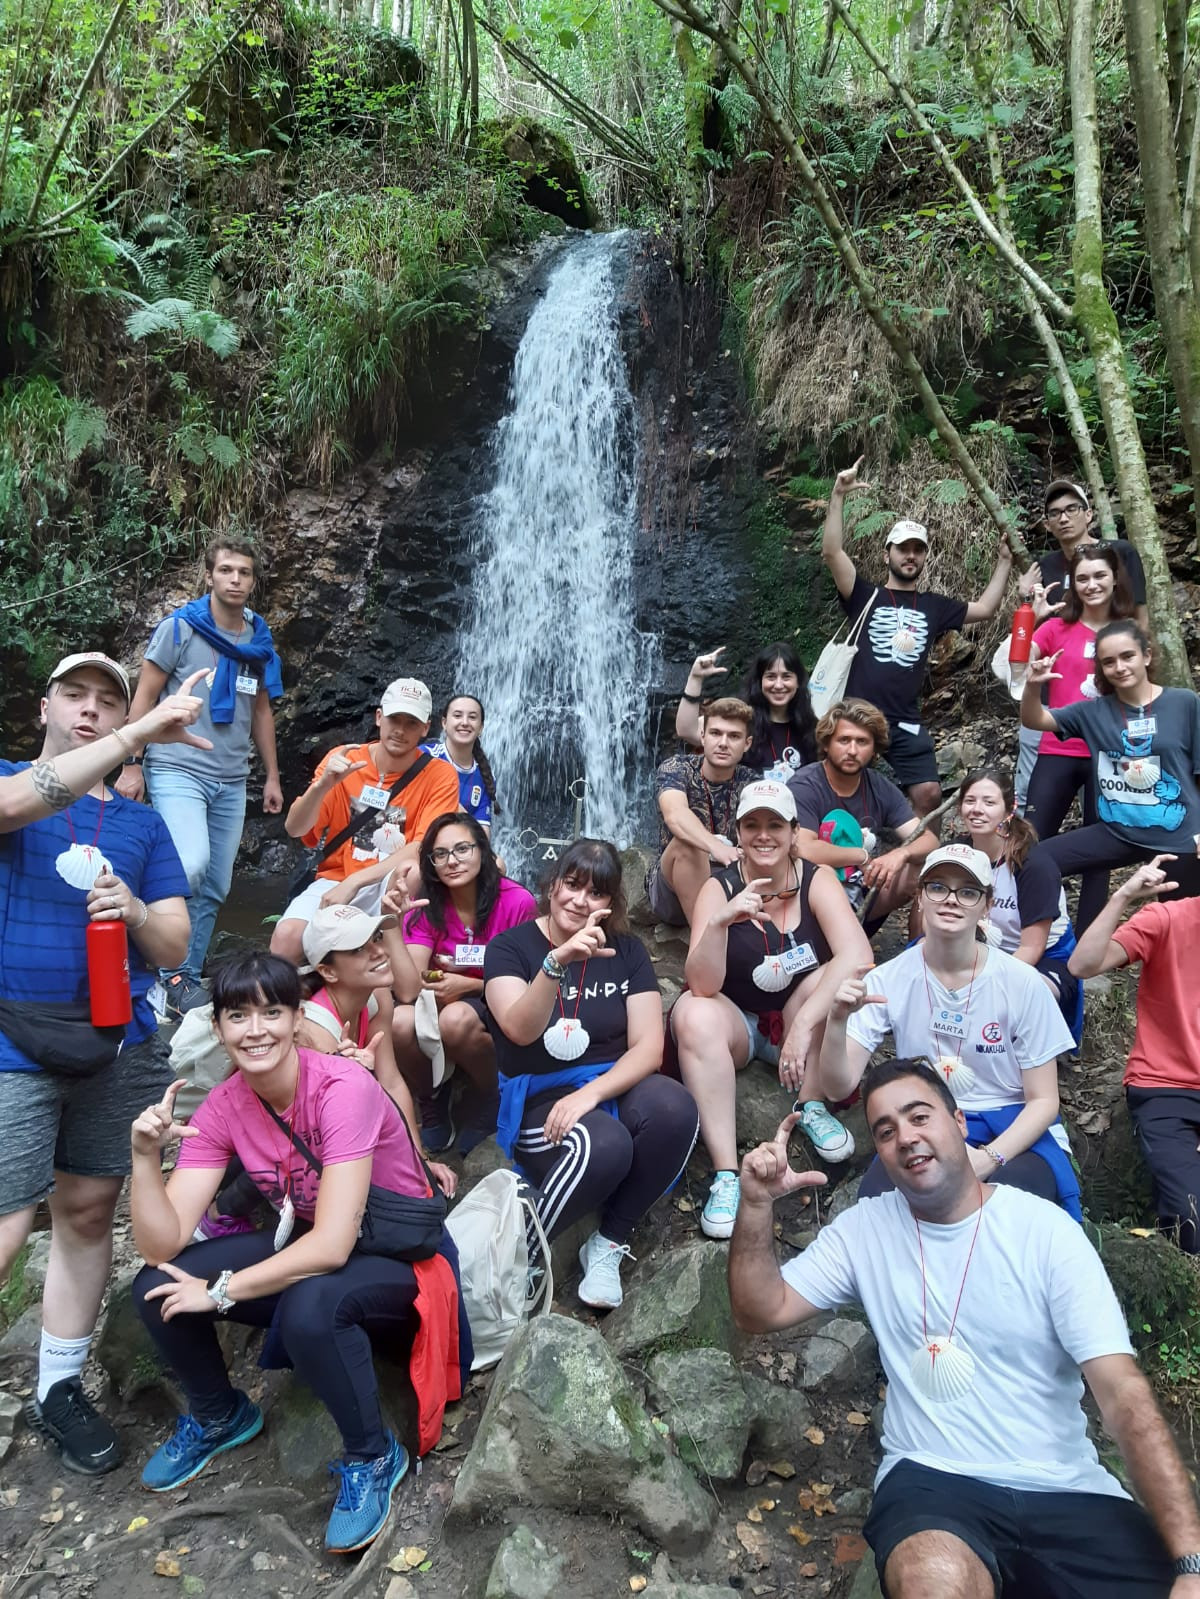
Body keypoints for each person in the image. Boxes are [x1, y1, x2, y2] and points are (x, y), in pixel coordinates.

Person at [728, 1058, 1198, 1599]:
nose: (906, 1138)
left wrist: (1190, 1558)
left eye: (919, 1117)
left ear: (958, 1122)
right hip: (936, 1482)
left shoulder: (1044, 1232)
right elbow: (759, 1311)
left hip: (1068, 1488)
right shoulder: (864, 1231)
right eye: (886, 1131)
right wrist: (758, 1205)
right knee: (936, 1580)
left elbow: (1123, 1394)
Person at [129, 952, 468, 1554]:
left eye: (271, 1012)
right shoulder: (224, 1107)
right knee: (155, 1283)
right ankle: (219, 1414)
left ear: (294, 1018)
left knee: (312, 1302)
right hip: (319, 1243)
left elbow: (335, 1244)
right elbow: (162, 1241)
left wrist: (221, 1290)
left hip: (401, 1257)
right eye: (238, 1015)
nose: (255, 1030)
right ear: (218, 1028)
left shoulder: (342, 1088)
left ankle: (371, 1455)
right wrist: (143, 1158)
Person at [0, 652, 204, 1474]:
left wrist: (133, 909)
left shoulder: (141, 825)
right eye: (76, 697)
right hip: (10, 1038)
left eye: (106, 701)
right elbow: (15, 801)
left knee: (88, 1209)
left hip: (115, 1037)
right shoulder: (13, 782)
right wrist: (138, 730)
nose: (90, 710)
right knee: (9, 1220)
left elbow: (177, 943)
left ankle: (57, 1388)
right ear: (46, 705)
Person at [484, 840, 699, 1311]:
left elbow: (648, 1047)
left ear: (612, 903)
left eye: (596, 893)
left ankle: (607, 1242)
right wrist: (557, 962)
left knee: (676, 1108)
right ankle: (523, 1254)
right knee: (606, 1144)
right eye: (572, 885)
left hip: (607, 1086)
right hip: (538, 1098)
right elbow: (519, 1030)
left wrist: (591, 1095)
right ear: (552, 884)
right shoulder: (509, 948)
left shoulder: (627, 952)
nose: (580, 901)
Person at [816, 844, 1080, 1212]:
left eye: (968, 891)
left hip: (1011, 1124)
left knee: (1007, 1210)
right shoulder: (889, 979)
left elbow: (1043, 1101)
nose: (951, 900)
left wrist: (987, 1159)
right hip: (924, 1121)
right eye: (938, 887)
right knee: (880, 1205)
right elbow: (837, 1085)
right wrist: (837, 1021)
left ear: (987, 905)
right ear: (920, 897)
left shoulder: (1023, 983)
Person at [671, 780, 872, 1238]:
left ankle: (813, 1103)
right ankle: (726, 1174)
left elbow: (858, 955)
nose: (764, 835)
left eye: (775, 825)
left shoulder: (815, 880)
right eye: (752, 825)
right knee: (691, 1011)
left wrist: (801, 1026)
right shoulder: (717, 888)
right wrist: (721, 923)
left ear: (794, 832)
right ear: (737, 833)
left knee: (836, 979)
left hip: (798, 1015)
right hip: (738, 1023)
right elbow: (702, 985)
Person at [117, 540, 284, 1017]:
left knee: (215, 883)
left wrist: (271, 775)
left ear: (253, 582)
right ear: (209, 575)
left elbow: (262, 711)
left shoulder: (260, 641)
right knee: (188, 865)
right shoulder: (180, 629)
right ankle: (159, 966)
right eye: (226, 570)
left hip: (232, 779)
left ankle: (184, 976)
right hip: (176, 767)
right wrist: (131, 761)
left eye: (245, 573)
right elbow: (145, 695)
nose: (235, 579)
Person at [821, 457, 1013, 815]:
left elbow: (985, 609)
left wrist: (1004, 561)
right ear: (887, 554)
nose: (910, 556)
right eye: (903, 549)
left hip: (904, 716)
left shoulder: (934, 605)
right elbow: (832, 552)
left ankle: (923, 865)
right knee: (840, 790)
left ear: (924, 557)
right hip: (856, 712)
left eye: (917, 550)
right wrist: (838, 496)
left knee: (928, 793)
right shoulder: (866, 594)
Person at [1021, 619, 1200, 925]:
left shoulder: (1183, 702)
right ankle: (1047, 945)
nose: (1119, 667)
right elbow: (1035, 720)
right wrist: (1034, 684)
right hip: (1117, 831)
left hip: (1178, 835)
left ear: (1146, 655)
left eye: (1127, 656)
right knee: (1034, 859)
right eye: (1108, 662)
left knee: (1182, 928)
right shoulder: (1092, 711)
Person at [271, 678, 459, 963]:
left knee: (413, 870)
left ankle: (393, 949)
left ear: (425, 728)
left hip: (391, 884)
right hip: (335, 877)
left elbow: (424, 845)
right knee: (286, 939)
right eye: (395, 718)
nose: (400, 730)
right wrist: (322, 785)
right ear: (379, 717)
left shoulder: (440, 775)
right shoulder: (343, 759)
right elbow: (295, 829)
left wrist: (356, 882)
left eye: (411, 723)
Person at [1069, 854, 1200, 1253]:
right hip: (1167, 1087)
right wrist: (1123, 896)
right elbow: (1082, 964)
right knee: (1194, 1222)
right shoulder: (1169, 918)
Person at [387, 813, 537, 1154]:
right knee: (398, 1021)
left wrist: (469, 986)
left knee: (456, 1021)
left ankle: (491, 1098)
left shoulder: (517, 902)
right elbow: (409, 990)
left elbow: (530, 982)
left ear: (482, 851)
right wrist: (393, 926)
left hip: (497, 1006)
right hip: (438, 1002)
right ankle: (431, 1097)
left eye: (462, 849)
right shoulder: (427, 906)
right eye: (440, 854)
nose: (452, 861)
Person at [1017, 544, 1139, 930]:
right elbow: (1017, 662)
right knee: (1030, 842)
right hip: (1059, 746)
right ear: (1073, 582)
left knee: (1099, 852)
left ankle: (1088, 943)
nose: (1092, 585)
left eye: (1100, 576)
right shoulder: (1056, 627)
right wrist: (1029, 619)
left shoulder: (1127, 631)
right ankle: (1022, 929)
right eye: (1083, 578)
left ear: (1115, 578)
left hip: (1112, 753)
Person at [787, 699, 937, 932]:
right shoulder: (805, 784)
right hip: (810, 893)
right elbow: (804, 848)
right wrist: (862, 857)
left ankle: (900, 946)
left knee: (918, 867)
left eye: (862, 742)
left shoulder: (879, 786)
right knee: (822, 871)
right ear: (826, 744)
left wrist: (901, 853)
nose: (853, 750)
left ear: (874, 748)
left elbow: (929, 841)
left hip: (863, 891)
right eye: (844, 740)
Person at [954, 767, 1081, 1036]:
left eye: (989, 802)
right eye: (970, 801)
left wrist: (980, 985)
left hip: (1042, 957)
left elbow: (1031, 949)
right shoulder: (956, 853)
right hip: (977, 948)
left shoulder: (1034, 865)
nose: (977, 809)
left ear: (1009, 809)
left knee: (1020, 1000)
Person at [647, 697, 756, 927]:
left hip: (730, 882)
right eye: (716, 733)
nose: (723, 743)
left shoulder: (752, 783)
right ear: (703, 736)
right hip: (673, 888)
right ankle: (704, 944)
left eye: (734, 736)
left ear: (747, 744)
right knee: (687, 844)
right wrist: (716, 847)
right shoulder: (677, 768)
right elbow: (675, 814)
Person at [674, 642, 818, 781]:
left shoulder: (812, 728)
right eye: (771, 677)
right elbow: (687, 730)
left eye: (786, 677)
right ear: (760, 681)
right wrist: (695, 678)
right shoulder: (739, 717)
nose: (778, 685)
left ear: (798, 682)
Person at [422, 694, 499, 832]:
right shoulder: (424, 756)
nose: (465, 722)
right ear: (444, 723)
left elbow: (483, 831)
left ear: (481, 728)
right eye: (457, 716)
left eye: (472, 717)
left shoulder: (484, 775)